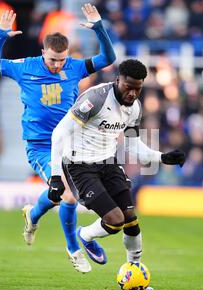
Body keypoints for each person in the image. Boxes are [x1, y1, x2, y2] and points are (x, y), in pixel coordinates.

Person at [0, 4, 116, 273]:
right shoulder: (25, 67)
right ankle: (73, 248)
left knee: (59, 196)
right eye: (53, 60)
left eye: (62, 59)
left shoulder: (75, 67)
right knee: (67, 197)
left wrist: (100, 28)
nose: (58, 65)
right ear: (43, 53)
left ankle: (32, 215)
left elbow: (108, 58)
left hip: (73, 144)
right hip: (42, 146)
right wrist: (0, 36)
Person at [49, 59, 186, 269]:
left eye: (137, 89)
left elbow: (133, 145)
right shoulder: (95, 99)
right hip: (80, 165)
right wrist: (56, 176)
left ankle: (134, 269)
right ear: (117, 80)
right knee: (115, 220)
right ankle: (84, 235)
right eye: (128, 87)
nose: (132, 94)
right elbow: (59, 133)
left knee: (131, 219)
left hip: (108, 162)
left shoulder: (134, 108)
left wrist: (162, 157)